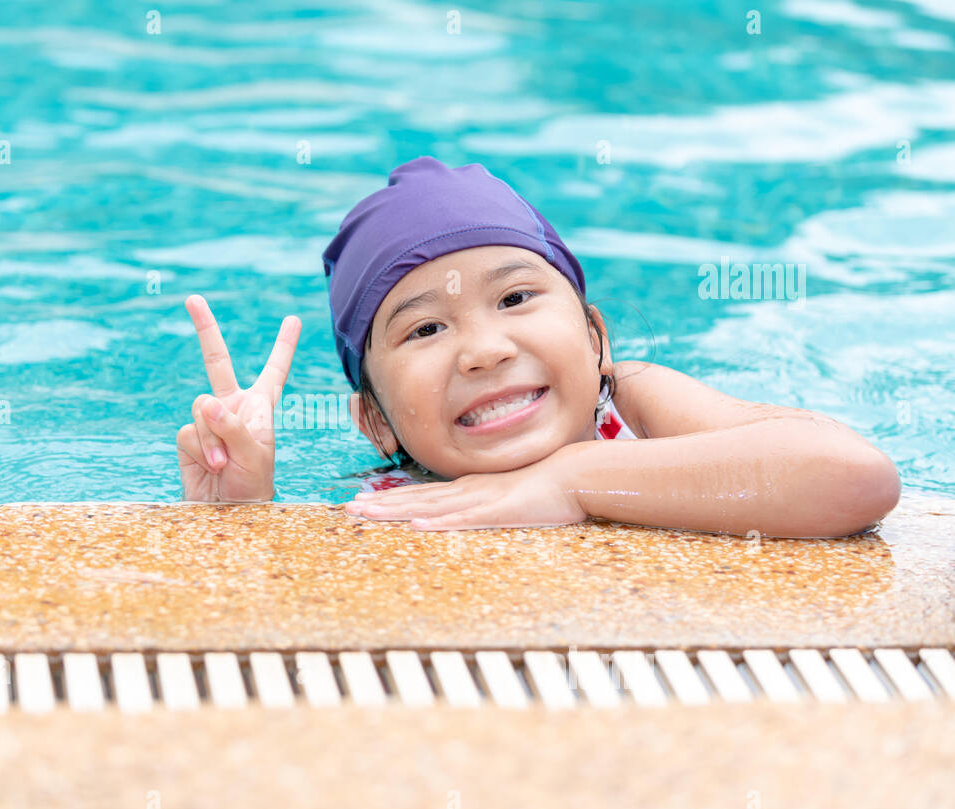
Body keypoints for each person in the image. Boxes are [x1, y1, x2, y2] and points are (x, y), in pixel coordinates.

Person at [176, 156, 899, 538]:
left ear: (594, 340)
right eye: (425, 329)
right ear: (378, 423)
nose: (484, 351)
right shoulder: (392, 509)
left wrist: (576, 479)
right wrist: (240, 514)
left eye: (516, 298)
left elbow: (854, 479)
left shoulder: (636, 404)